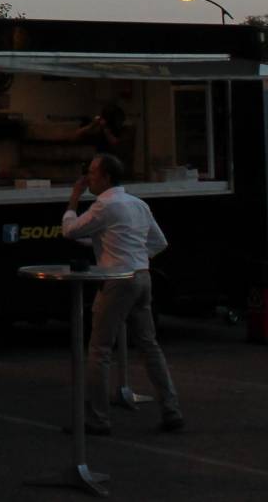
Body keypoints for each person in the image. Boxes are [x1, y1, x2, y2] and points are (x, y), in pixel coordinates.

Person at [61, 152, 184, 435]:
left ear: (105, 177)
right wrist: (134, 255)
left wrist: (74, 198)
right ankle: (171, 408)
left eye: (92, 173)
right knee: (149, 345)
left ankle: (98, 417)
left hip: (116, 279)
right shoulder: (138, 204)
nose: (88, 178)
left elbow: (70, 230)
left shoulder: (104, 206)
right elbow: (159, 242)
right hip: (142, 275)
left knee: (99, 349)